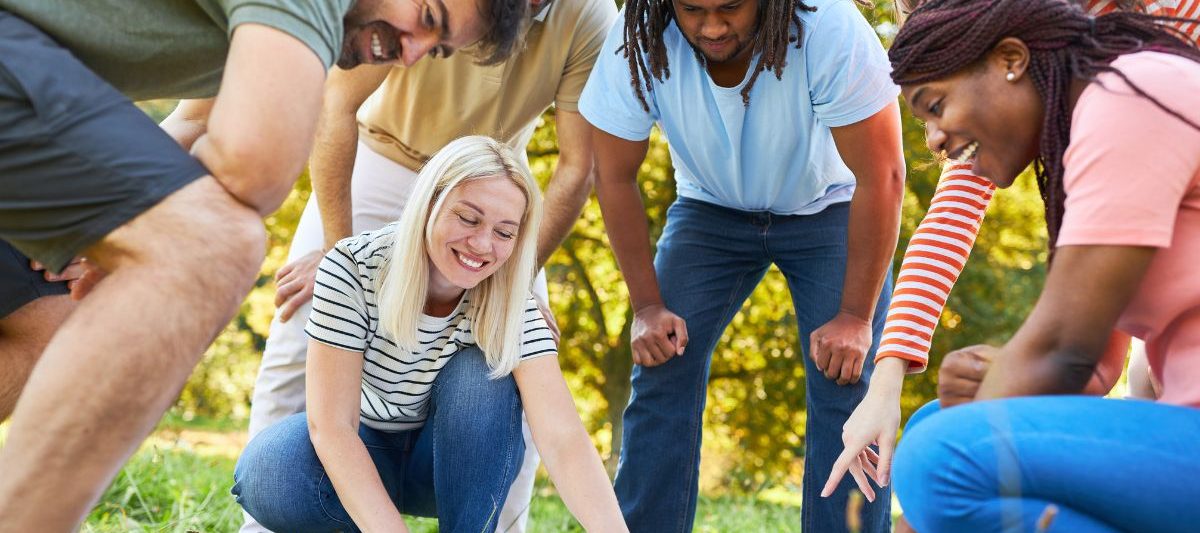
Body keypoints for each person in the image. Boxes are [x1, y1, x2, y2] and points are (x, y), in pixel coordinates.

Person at [0, 0, 527, 529]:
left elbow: (191, 121)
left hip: (27, 100)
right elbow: (254, 166)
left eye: (434, 49)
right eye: (428, 17)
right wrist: (137, 230)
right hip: (14, 77)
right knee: (211, 246)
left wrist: (114, 235)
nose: (409, 54)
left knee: (48, 326)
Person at [240, 1, 615, 531]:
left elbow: (578, 168)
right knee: (299, 321)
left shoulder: (589, 17)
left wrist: (512, 274)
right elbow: (337, 103)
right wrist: (338, 252)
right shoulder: (435, 11)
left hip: (494, 180)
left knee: (507, 365)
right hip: (385, 154)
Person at [823, 0, 1200, 501]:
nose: (934, 143)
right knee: (940, 426)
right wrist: (909, 378)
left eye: (935, 107)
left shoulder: (1130, 88)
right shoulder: (1064, 129)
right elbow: (1083, 356)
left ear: (1008, 56)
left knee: (945, 454)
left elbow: (1066, 349)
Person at [577, 0, 907, 529]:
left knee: (845, 379)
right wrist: (646, 307)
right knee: (662, 359)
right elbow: (613, 177)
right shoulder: (637, 38)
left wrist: (855, 318)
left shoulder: (827, 28)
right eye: (692, 9)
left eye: (730, 7)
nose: (711, 26)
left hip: (828, 209)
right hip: (709, 211)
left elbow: (884, 175)